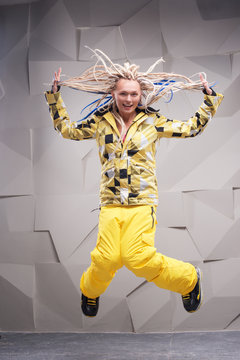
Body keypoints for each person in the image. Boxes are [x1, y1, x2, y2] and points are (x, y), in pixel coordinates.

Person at [45, 49, 223, 317]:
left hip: (142, 204)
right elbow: (67, 130)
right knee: (106, 259)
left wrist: (209, 100)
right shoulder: (99, 122)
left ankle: (189, 280)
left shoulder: (153, 122)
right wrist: (55, 97)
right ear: (114, 95)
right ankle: (90, 291)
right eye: (123, 93)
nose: (129, 99)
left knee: (137, 258)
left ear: (141, 96)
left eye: (134, 94)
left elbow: (191, 128)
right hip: (110, 203)